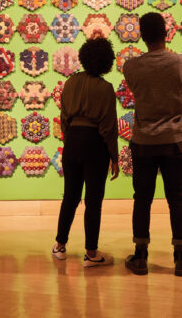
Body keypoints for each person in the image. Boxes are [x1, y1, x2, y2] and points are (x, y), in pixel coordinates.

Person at [123, 12, 182, 276]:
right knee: (177, 198)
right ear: (166, 33)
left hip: (143, 140)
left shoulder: (131, 66)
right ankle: (181, 256)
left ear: (142, 36)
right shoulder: (181, 63)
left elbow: (137, 92)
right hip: (174, 140)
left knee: (142, 198)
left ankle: (141, 254)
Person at [52, 37, 119, 267]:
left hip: (72, 142)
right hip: (95, 144)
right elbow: (109, 127)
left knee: (70, 197)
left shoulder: (70, 82)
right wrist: (114, 157)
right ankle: (91, 253)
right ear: (107, 62)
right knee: (93, 200)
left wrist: (70, 139)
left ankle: (60, 245)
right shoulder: (106, 88)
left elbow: (63, 118)